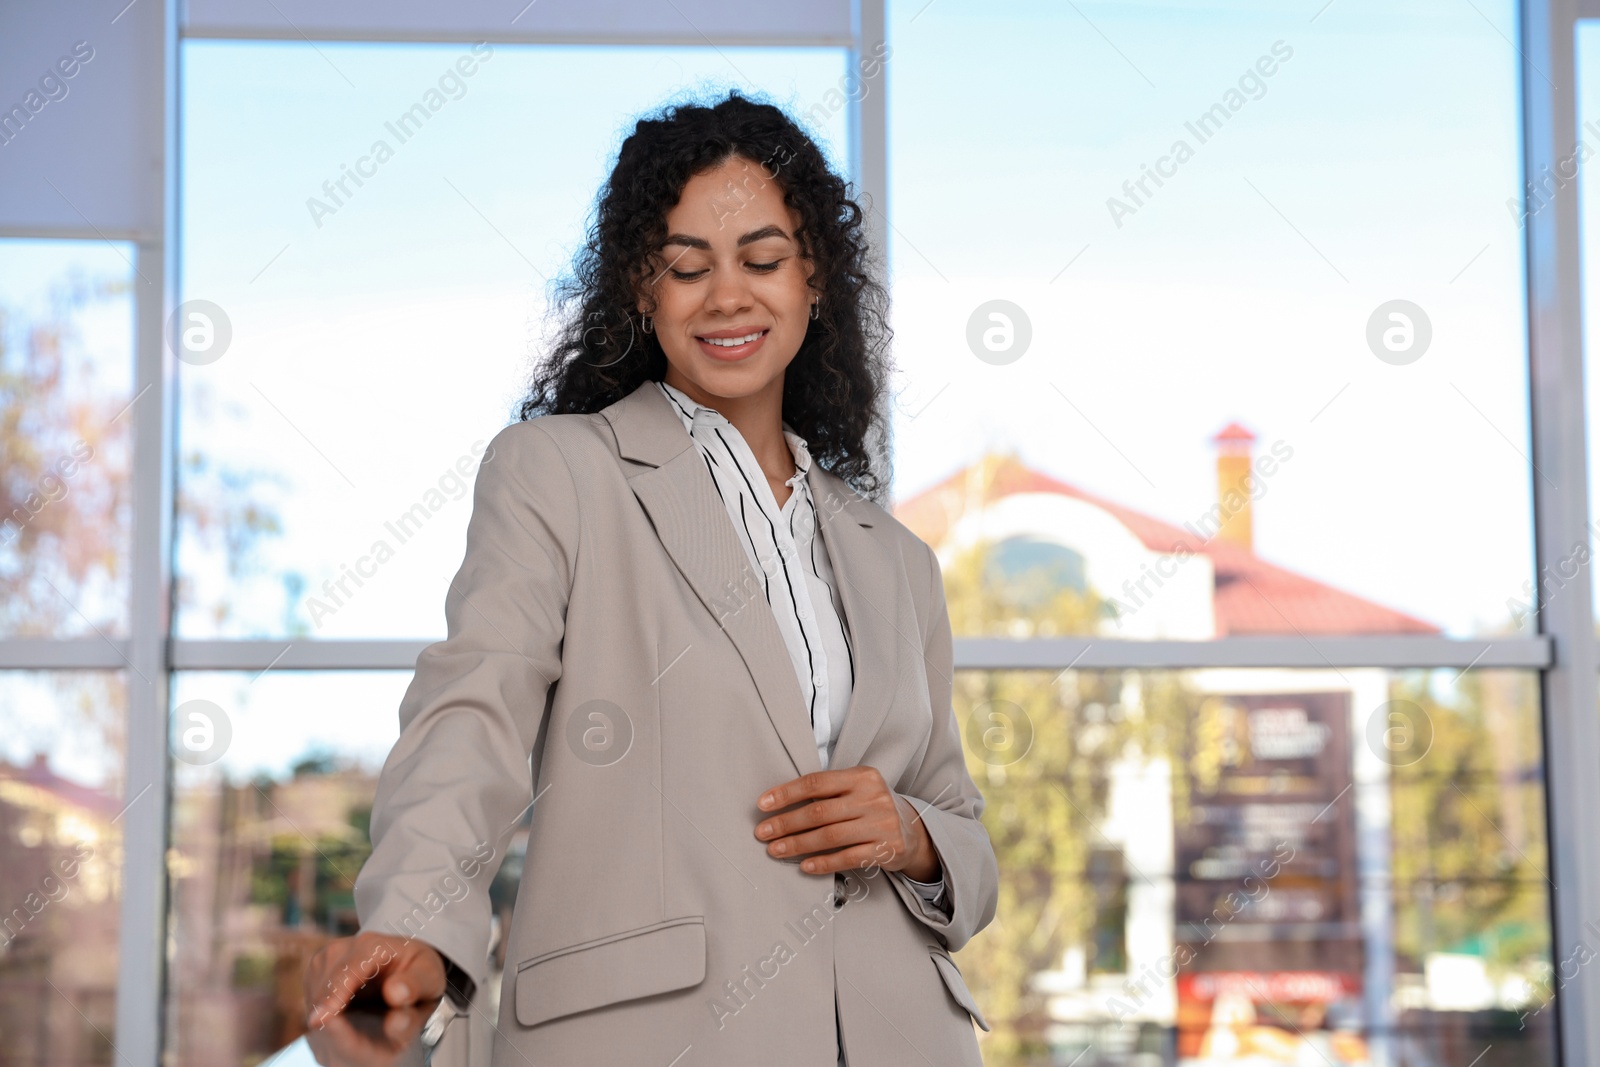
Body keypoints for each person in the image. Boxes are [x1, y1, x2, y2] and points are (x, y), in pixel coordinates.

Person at [302, 90, 998, 1066]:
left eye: (761, 260)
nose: (727, 296)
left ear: (813, 280)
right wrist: (414, 916)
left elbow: (960, 825)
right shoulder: (558, 472)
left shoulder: (896, 558)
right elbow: (474, 707)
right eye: (685, 267)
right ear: (639, 286)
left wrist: (911, 832)